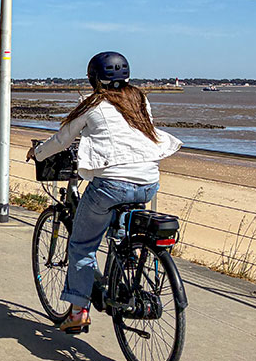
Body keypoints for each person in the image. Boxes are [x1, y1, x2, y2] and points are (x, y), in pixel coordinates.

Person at [26, 52, 182, 334]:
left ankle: (78, 312)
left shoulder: (92, 103)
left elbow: (62, 140)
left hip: (112, 184)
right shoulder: (139, 99)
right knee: (119, 227)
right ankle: (126, 259)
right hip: (148, 181)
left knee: (81, 245)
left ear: (93, 78)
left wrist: (38, 153)